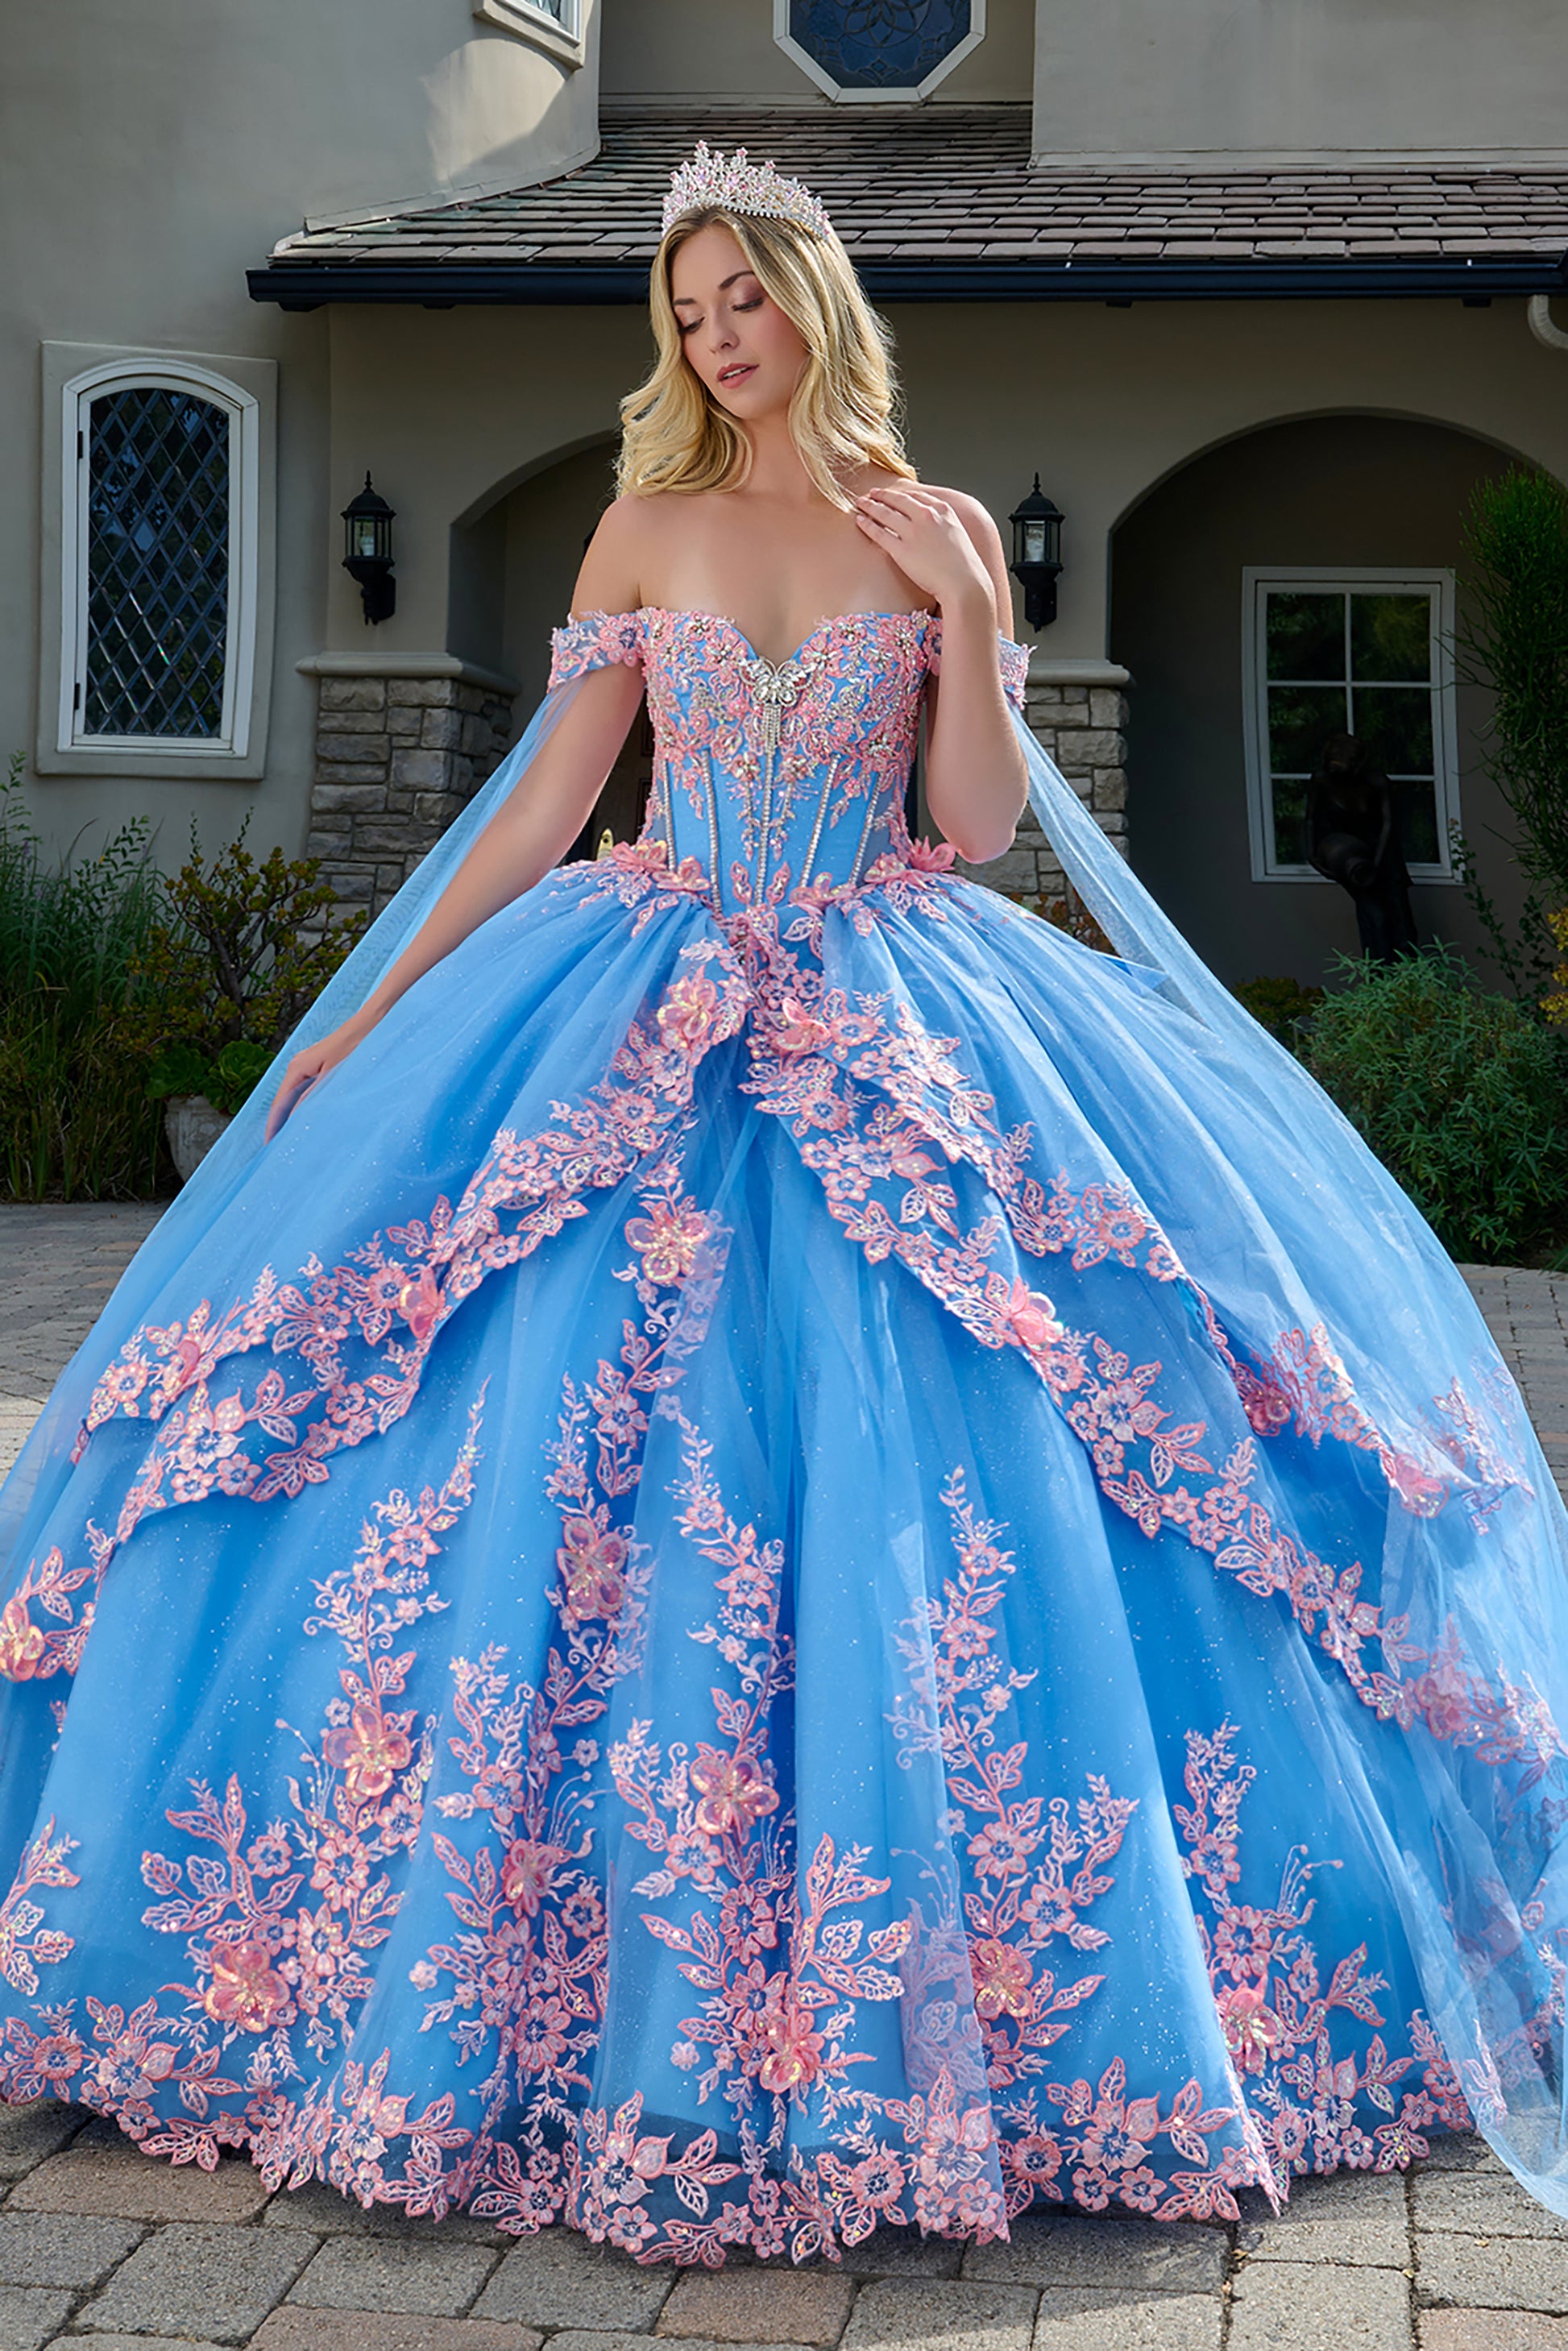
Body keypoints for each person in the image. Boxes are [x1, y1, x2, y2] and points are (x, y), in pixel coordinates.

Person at [1, 143, 1566, 2264]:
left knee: (1006, 1415)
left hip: (881, 993)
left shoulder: (931, 524)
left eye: (742, 295)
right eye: (688, 308)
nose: (716, 335)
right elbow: (547, 804)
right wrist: (369, 1013)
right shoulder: (642, 518)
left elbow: (974, 823)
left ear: (814, 299)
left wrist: (974, 614)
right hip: (636, 996)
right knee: (492, 1417)